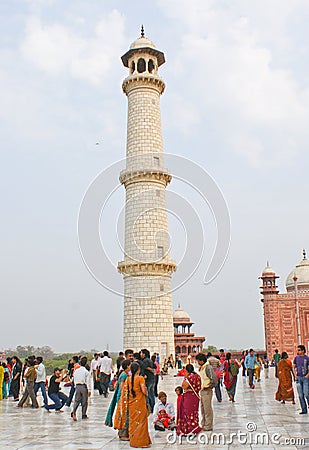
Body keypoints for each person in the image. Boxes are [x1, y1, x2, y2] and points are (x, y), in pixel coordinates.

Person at [119, 362, 151, 448]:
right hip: (140, 403)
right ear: (138, 370)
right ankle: (142, 442)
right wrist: (147, 393)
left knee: (133, 422)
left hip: (132, 404)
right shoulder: (140, 378)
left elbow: (125, 392)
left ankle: (134, 441)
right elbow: (143, 390)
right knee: (142, 422)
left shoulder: (128, 379)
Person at [177, 363, 202, 436]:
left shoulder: (189, 378)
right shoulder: (197, 376)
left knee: (187, 412)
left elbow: (184, 386)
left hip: (189, 397)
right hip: (195, 396)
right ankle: (195, 426)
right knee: (194, 412)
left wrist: (185, 377)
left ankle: (189, 428)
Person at [106, 360, 131, 431]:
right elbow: (123, 387)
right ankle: (122, 431)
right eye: (130, 365)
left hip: (122, 397)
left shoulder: (125, 374)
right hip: (122, 397)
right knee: (122, 415)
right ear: (127, 366)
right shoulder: (124, 375)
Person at [196, 353, 214, 431]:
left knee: (207, 409)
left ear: (202, 361)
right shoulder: (202, 368)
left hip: (207, 390)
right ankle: (204, 424)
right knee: (203, 409)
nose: (197, 363)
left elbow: (214, 379)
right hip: (202, 390)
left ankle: (208, 425)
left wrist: (209, 386)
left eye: (198, 361)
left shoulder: (208, 367)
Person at [71, 356, 91, 421]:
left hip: (77, 386)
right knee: (84, 401)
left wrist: (75, 386)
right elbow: (88, 381)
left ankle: (74, 412)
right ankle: (83, 414)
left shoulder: (76, 370)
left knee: (77, 400)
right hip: (83, 387)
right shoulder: (86, 372)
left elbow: (74, 379)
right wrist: (89, 390)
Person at [293, 344, 309, 414]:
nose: (298, 351)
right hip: (298, 377)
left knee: (306, 393)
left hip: (305, 378)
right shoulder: (296, 358)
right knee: (300, 395)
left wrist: (308, 375)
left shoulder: (307, 358)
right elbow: (293, 366)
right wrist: (295, 375)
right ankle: (304, 409)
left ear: (303, 351)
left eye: (299, 350)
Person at [140, 349, 155, 413]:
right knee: (151, 393)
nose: (141, 355)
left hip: (148, 378)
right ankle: (153, 407)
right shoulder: (149, 360)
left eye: (141, 353)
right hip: (152, 378)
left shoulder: (145, 361)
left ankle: (149, 407)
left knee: (147, 393)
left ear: (144, 354)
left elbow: (144, 368)